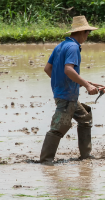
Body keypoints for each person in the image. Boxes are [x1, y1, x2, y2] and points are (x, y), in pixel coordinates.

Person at [39, 16, 99, 165]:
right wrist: (87, 85)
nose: (87, 36)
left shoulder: (61, 46)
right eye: (88, 33)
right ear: (82, 32)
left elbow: (48, 69)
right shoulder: (73, 47)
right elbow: (68, 69)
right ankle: (46, 161)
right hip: (66, 96)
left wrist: (70, 82)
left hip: (65, 94)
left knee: (85, 118)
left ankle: (86, 155)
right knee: (59, 127)